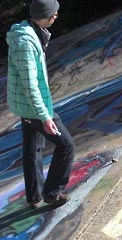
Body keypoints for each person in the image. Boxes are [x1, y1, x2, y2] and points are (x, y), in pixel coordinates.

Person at [6, 0, 75, 208]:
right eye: (55, 14)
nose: (57, 17)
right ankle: (53, 193)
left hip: (26, 105)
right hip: (32, 106)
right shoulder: (25, 41)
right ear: (48, 16)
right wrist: (44, 116)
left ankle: (34, 196)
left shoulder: (32, 33)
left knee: (32, 150)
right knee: (66, 146)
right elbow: (30, 84)